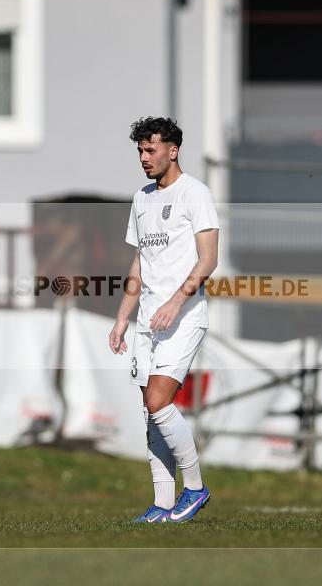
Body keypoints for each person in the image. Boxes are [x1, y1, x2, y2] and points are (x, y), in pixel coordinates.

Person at [109, 117, 219, 523]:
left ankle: (196, 487)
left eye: (150, 149)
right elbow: (139, 264)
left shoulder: (195, 193)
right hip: (147, 322)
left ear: (173, 151)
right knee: (150, 411)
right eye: (140, 150)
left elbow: (209, 259)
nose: (144, 157)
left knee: (159, 401)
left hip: (183, 318)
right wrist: (122, 318)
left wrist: (175, 303)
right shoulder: (141, 199)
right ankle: (163, 505)